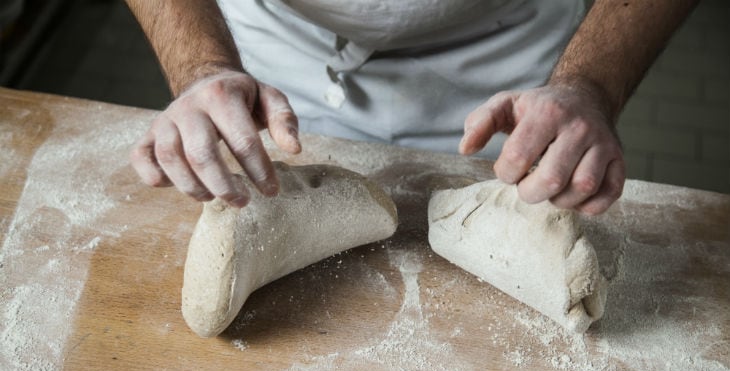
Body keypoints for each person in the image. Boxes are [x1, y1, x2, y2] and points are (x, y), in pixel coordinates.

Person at [125, 0, 697, 215]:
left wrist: (590, 85)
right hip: (269, 51)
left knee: (529, 201)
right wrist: (201, 66)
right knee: (260, 195)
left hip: (509, 61)